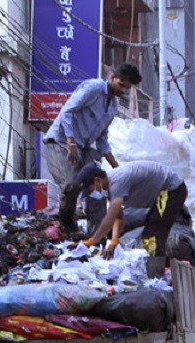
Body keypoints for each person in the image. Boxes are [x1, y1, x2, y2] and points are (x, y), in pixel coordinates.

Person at [43, 63, 143, 231]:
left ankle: (97, 234)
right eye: (121, 85)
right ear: (113, 78)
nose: (123, 90)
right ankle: (66, 224)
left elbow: (102, 140)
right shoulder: (93, 88)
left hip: (82, 148)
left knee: (99, 186)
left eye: (127, 88)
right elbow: (67, 111)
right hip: (60, 142)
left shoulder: (112, 107)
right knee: (71, 185)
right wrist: (71, 141)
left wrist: (117, 168)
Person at [78, 161, 189, 275]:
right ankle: (153, 272)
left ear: (97, 180)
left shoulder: (117, 182)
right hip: (160, 195)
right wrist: (114, 242)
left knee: (153, 236)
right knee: (149, 234)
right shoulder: (111, 189)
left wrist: (91, 241)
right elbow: (118, 218)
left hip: (171, 190)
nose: (92, 194)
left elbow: (109, 219)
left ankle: (155, 277)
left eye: (91, 190)